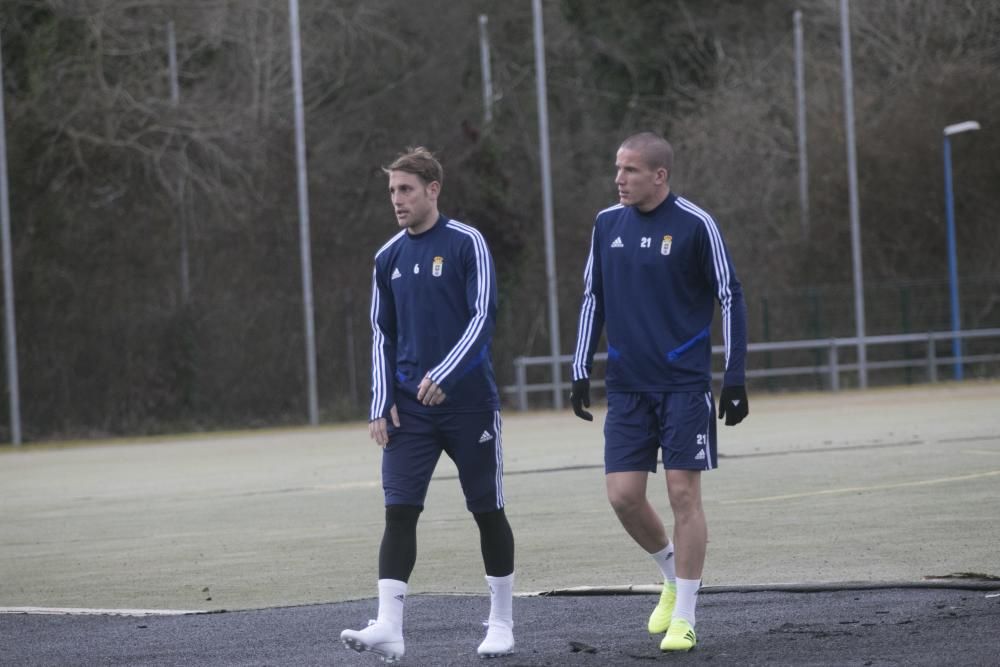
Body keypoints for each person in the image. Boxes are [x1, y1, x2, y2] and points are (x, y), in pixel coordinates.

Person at [569, 132, 748, 652]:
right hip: (626, 387)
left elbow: (729, 296)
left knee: (682, 495)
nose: (619, 178)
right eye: (617, 169)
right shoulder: (607, 225)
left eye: (630, 170)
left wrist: (734, 376)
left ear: (659, 175)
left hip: (683, 386)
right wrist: (580, 366)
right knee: (623, 496)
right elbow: (591, 298)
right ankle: (671, 577)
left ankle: (686, 617)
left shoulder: (696, 225)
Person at [340, 147, 516, 662]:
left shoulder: (468, 243)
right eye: (392, 190)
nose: (397, 199)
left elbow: (483, 316)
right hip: (409, 411)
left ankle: (501, 623)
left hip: (468, 405)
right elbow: (381, 332)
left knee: (486, 509)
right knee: (399, 511)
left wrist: (445, 373)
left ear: (432, 190)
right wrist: (380, 401)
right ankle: (389, 628)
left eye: (406, 189)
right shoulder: (387, 256)